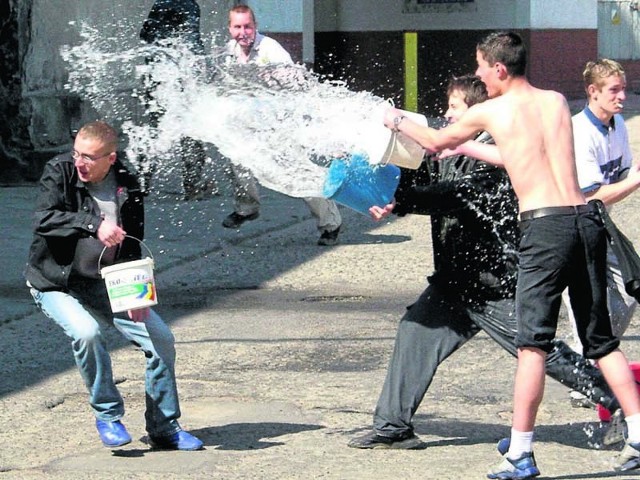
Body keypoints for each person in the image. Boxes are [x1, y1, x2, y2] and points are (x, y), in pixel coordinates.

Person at [382, 31, 640, 478]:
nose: (479, 74)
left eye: (482, 66)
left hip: (545, 227)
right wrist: (465, 143)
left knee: (531, 347)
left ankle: (520, 452)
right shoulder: (556, 101)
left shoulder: (491, 109)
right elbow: (515, 154)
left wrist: (393, 119)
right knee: (602, 341)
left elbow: (432, 141)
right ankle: (638, 434)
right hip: (587, 220)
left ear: (499, 69)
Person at [24, 121, 203, 451]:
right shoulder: (59, 171)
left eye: (90, 157)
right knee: (87, 332)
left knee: (161, 338)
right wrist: (94, 224)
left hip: (106, 281)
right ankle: (107, 415)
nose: (81, 163)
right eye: (77, 153)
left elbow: (134, 243)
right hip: (55, 281)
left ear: (111, 158)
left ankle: (164, 428)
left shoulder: (128, 183)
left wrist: (136, 292)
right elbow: (43, 219)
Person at [220, 4, 342, 246]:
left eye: (248, 26)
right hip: (248, 122)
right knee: (237, 158)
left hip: (279, 124)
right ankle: (247, 208)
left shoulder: (271, 51)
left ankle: (331, 223)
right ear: (230, 28)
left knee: (297, 174)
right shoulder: (229, 52)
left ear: (255, 27)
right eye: (237, 27)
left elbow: (296, 85)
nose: (243, 32)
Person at [139, 0, 216, 201]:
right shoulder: (190, 5)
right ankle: (192, 187)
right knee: (191, 131)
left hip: (157, 78)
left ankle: (143, 183)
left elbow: (144, 36)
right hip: (182, 80)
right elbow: (191, 43)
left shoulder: (160, 3)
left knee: (155, 130)